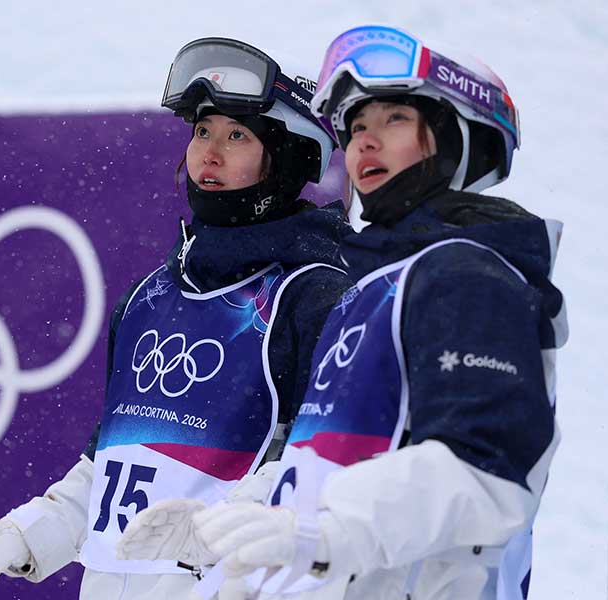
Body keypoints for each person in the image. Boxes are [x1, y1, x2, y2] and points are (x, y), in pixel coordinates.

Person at [118, 25, 568, 600]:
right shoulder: (369, 291)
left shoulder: (471, 277)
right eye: (356, 127)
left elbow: (484, 476)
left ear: (458, 139)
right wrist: (235, 522)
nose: (365, 144)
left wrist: (321, 529)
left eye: (393, 121)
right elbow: (334, 461)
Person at [0, 37, 354, 600]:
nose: (209, 152)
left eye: (237, 135)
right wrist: (27, 534)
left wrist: (219, 531)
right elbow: (113, 470)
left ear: (285, 159)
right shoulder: (146, 299)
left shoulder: (314, 298)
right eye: (202, 131)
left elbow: (331, 471)